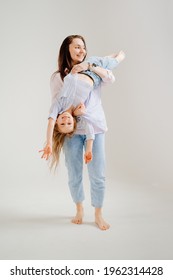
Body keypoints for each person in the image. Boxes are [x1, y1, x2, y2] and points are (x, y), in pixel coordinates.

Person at [40, 35, 125, 230]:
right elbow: (57, 107)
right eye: (76, 47)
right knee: (74, 173)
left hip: (95, 127)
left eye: (83, 47)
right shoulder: (58, 77)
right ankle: (79, 208)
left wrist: (89, 66)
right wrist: (74, 115)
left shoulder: (91, 70)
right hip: (71, 131)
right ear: (67, 50)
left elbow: (110, 77)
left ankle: (98, 213)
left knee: (98, 174)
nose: (81, 51)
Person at [41, 53, 124, 167]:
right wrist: (89, 150)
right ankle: (119, 56)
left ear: (57, 120)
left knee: (100, 60)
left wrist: (49, 143)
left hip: (79, 71)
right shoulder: (80, 112)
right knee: (107, 63)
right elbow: (90, 131)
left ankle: (113, 56)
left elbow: (50, 123)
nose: (66, 119)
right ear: (73, 122)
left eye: (62, 123)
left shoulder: (58, 105)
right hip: (94, 78)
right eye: (69, 123)